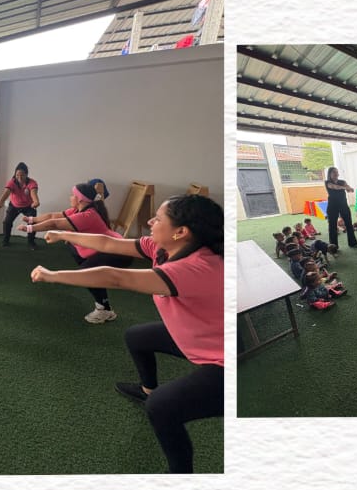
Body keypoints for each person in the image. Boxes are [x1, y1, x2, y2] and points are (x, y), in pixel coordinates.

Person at [31, 195, 223, 473]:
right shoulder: (163, 247)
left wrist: (53, 275)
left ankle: (181, 476)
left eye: (158, 218)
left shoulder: (195, 267)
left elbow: (117, 278)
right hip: (197, 336)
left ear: (181, 232)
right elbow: (107, 243)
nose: (150, 221)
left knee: (161, 407)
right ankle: (147, 390)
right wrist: (62, 234)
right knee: (137, 337)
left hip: (223, 359)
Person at [23, 182, 133, 323]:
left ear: (80, 199)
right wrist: (32, 219)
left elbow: (54, 224)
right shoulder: (76, 210)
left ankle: (104, 310)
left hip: (117, 251)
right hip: (104, 248)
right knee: (77, 253)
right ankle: (104, 305)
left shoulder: (88, 215)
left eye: (73, 195)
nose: (70, 197)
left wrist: (30, 229)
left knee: (87, 274)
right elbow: (52, 216)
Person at [0, 163, 40, 247]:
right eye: (17, 175)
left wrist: (36, 201)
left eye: (22, 175)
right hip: (14, 206)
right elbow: (6, 192)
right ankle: (5, 240)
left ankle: (31, 242)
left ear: (26, 174)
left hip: (28, 207)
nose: (19, 177)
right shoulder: (12, 182)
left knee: (32, 223)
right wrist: (1, 201)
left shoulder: (32, 183)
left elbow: (33, 193)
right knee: (7, 222)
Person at [323, 167, 357, 250]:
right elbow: (334, 187)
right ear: (330, 174)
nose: (336, 174)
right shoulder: (327, 182)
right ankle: (333, 247)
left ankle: (353, 243)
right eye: (333, 172)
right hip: (332, 207)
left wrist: (349, 188)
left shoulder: (342, 182)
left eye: (336, 172)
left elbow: (349, 189)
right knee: (332, 227)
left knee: (349, 224)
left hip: (343, 205)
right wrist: (345, 187)